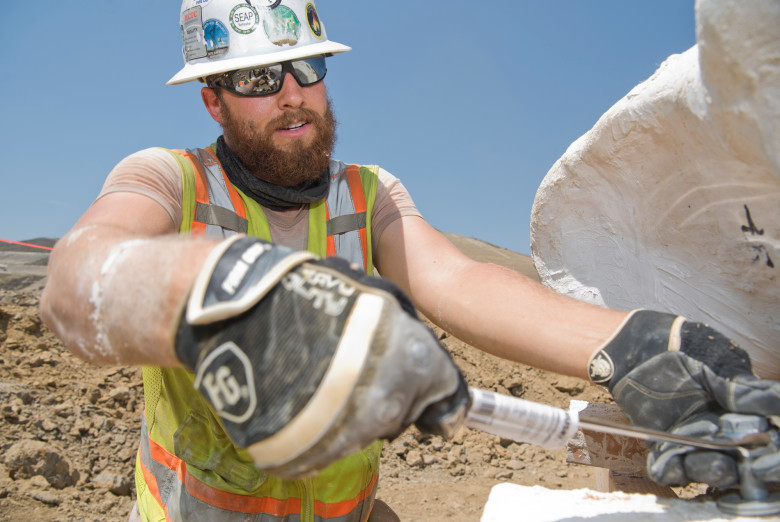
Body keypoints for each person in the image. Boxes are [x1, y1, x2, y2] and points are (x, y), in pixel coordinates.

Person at [40, 1, 780, 520]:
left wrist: (631, 343)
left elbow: (455, 280)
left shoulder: (367, 193)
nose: (291, 94)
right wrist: (223, 299)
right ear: (213, 102)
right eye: (258, 79)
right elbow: (78, 281)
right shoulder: (171, 180)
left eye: (305, 67)